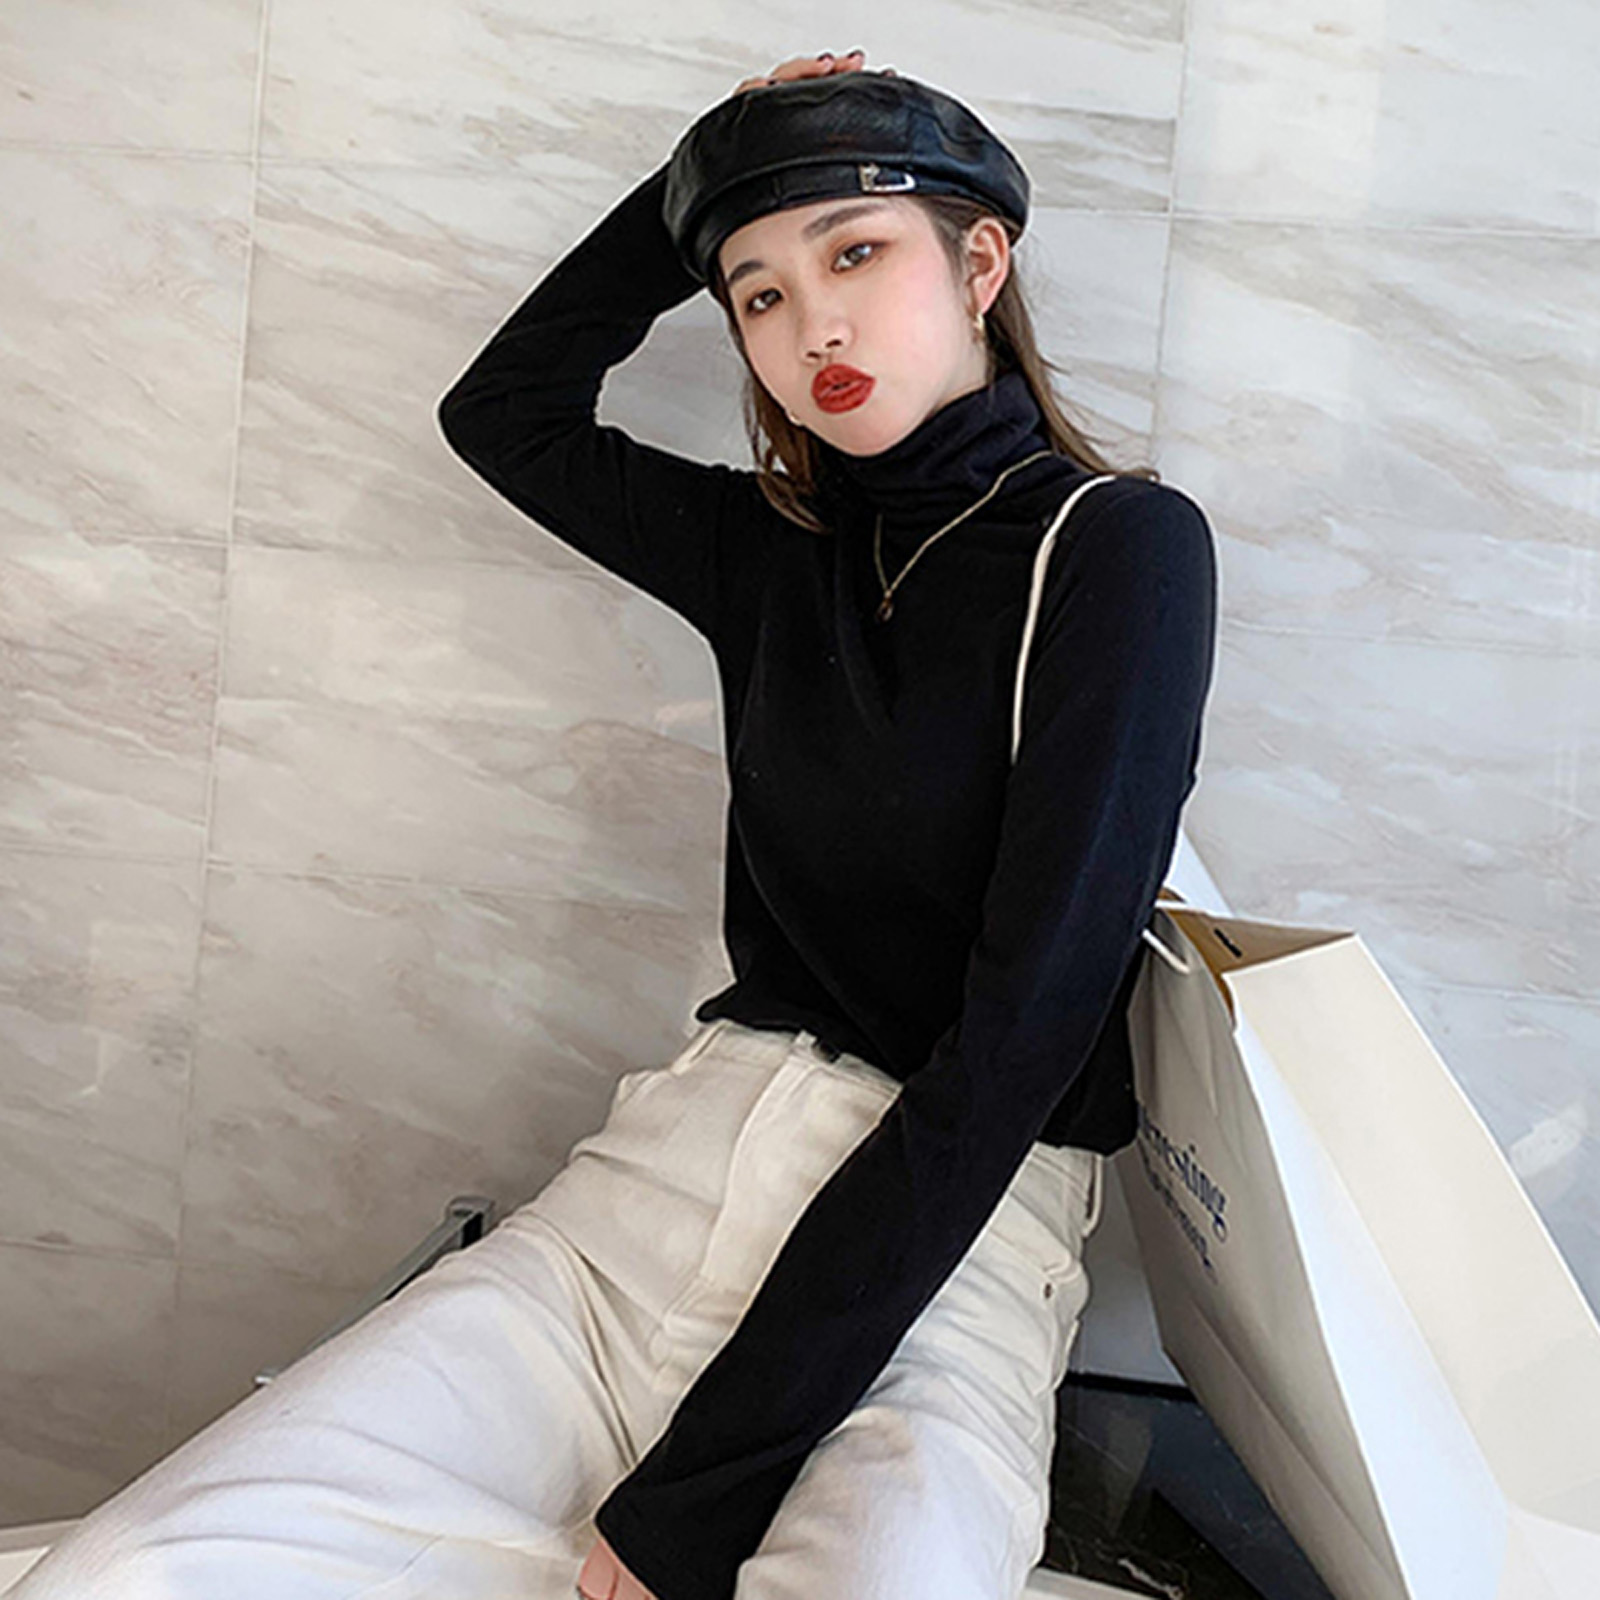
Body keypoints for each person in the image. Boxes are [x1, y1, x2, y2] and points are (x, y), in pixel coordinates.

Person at [8, 50, 1217, 1600]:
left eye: (855, 253)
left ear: (980, 263)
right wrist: (694, 186)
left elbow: (1020, 1045)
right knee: (132, 1573)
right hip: (657, 1196)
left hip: (948, 1246)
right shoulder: (765, 549)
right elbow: (502, 412)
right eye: (758, 294)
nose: (812, 326)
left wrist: (694, 1500)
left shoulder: (1114, 551)